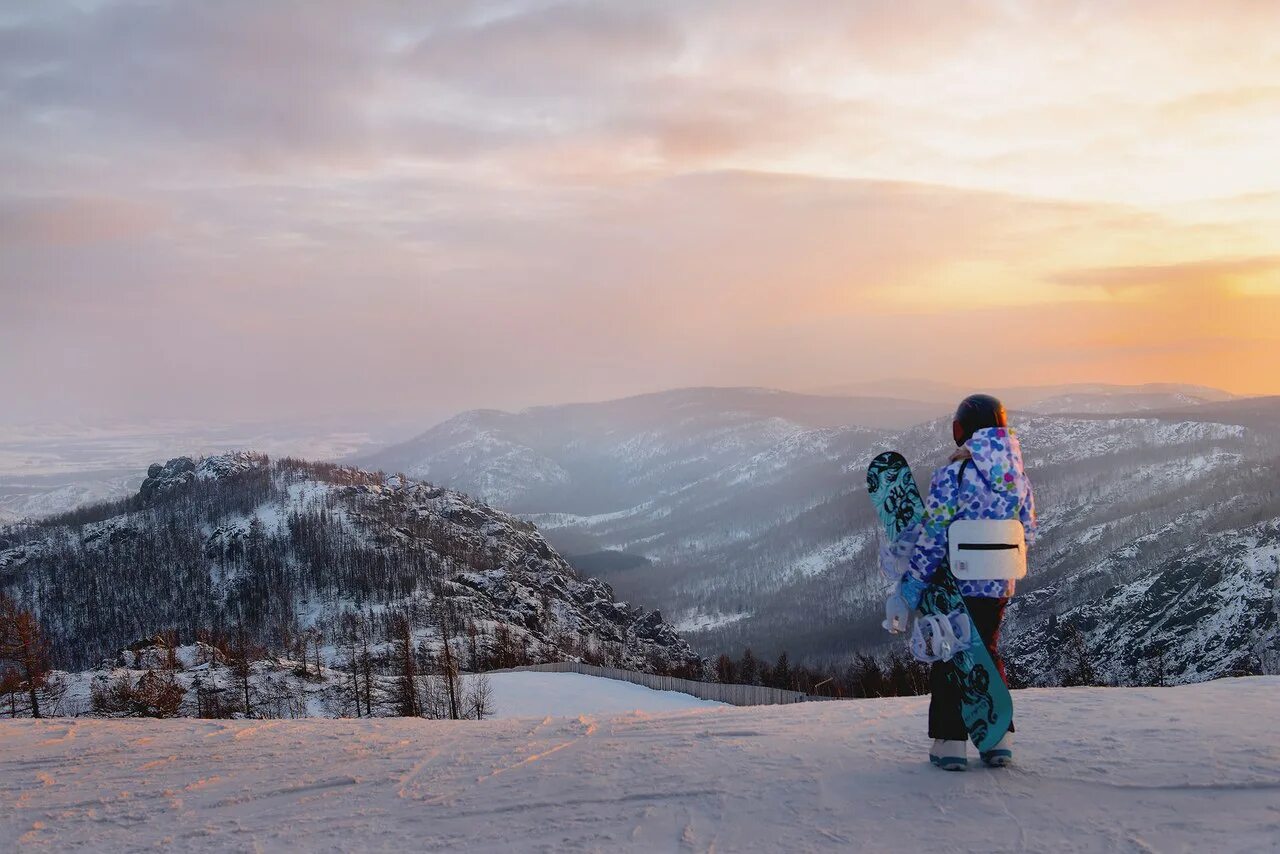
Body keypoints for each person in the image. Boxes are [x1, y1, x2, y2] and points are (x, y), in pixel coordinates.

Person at [884, 393, 1036, 771]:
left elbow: (934, 536)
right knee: (986, 650)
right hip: (999, 583)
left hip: (958, 581)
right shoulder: (1017, 477)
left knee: (949, 653)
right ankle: (997, 737)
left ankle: (949, 743)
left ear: (963, 430)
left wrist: (911, 588)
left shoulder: (953, 475)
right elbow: (1028, 531)